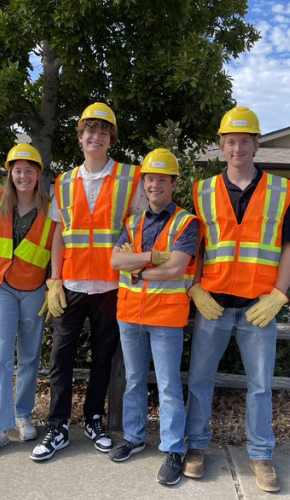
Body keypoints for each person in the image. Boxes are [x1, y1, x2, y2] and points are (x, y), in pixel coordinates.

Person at [31, 102, 148, 462]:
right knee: (60, 358)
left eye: (102, 131)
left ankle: (94, 420)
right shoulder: (63, 182)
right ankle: (58, 427)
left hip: (113, 287)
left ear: (110, 138)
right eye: (89, 131)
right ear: (80, 138)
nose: (95, 137)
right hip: (72, 285)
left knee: (103, 358)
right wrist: (54, 279)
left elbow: (142, 229)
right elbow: (59, 236)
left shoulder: (132, 178)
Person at [184, 106, 290, 492]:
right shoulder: (203, 190)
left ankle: (261, 456)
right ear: (221, 146)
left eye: (245, 141)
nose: (238, 148)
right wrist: (193, 286)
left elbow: (288, 246)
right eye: (231, 141)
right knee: (199, 380)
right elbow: (195, 246)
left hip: (258, 308)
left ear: (257, 144)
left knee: (261, 385)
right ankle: (195, 447)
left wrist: (280, 293)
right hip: (212, 303)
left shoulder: (282, 190)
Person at [107, 148, 200, 486]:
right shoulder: (132, 221)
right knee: (133, 379)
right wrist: (150, 258)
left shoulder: (186, 223)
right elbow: (116, 262)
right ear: (143, 182)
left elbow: (176, 268)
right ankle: (133, 437)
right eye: (150, 178)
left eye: (163, 179)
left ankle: (173, 449)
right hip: (130, 314)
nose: (155, 184)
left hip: (166, 318)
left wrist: (139, 272)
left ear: (174, 183)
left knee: (168, 385)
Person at [0, 144, 55, 459]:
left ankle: (22, 414)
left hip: (34, 288)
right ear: (10, 173)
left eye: (29, 170)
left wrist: (53, 284)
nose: (23, 175)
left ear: (38, 175)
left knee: (30, 357)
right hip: (2, 286)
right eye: (18, 170)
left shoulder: (51, 208)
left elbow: (58, 247)